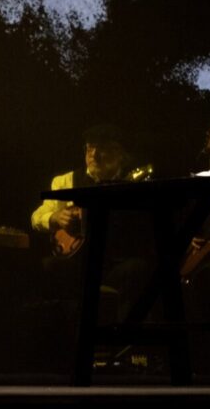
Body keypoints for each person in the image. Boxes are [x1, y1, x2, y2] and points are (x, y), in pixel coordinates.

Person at [30, 124, 152, 323]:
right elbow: (37, 217)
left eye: (101, 149)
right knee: (48, 266)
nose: (93, 155)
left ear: (119, 153)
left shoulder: (131, 185)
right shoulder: (65, 181)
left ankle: (120, 341)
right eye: (89, 148)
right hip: (77, 265)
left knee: (138, 269)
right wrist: (55, 218)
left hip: (115, 265)